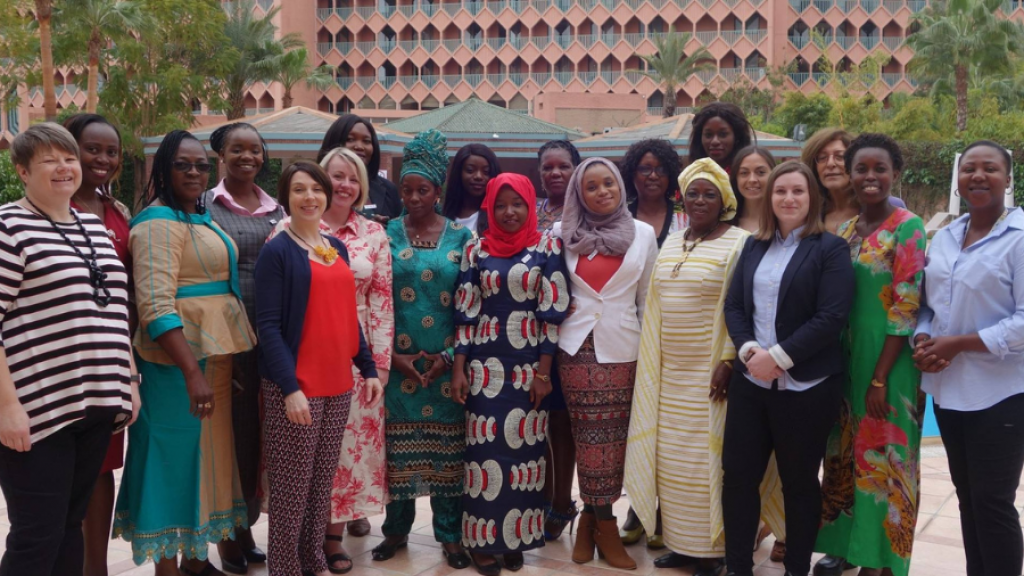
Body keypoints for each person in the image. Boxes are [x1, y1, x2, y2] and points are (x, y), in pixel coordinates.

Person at [623, 158, 783, 576]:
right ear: (682, 197)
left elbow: (743, 308)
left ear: (724, 200)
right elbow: (655, 303)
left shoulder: (740, 243)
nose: (699, 200)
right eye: (692, 192)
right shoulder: (673, 241)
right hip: (669, 370)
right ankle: (681, 544)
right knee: (672, 459)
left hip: (712, 371)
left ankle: (716, 549)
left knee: (709, 463)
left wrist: (729, 360)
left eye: (709, 193)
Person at [114, 130, 255, 576]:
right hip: (176, 367)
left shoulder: (199, 215)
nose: (194, 172)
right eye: (182, 165)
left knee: (207, 464)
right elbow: (156, 305)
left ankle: (197, 561)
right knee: (173, 465)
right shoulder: (156, 222)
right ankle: (168, 568)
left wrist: (214, 365)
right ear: (163, 169)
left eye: (200, 165)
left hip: (212, 362)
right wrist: (193, 373)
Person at [0, 123, 136, 576]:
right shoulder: (8, 226)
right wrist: (7, 407)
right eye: (49, 160)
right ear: (22, 170)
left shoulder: (95, 227)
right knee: (36, 533)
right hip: (37, 408)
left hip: (97, 402)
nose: (64, 168)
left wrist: (129, 380)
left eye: (69, 158)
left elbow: (116, 308)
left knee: (69, 526)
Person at [722, 162, 855, 576]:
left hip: (807, 386)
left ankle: (797, 567)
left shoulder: (830, 248)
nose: (789, 199)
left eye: (798, 191)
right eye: (781, 191)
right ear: (769, 198)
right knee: (739, 479)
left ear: (812, 198)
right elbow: (735, 306)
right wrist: (748, 352)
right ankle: (738, 566)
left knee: (800, 483)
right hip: (751, 383)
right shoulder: (754, 246)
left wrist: (777, 357)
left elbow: (831, 316)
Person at [269, 147, 395, 573]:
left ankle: (313, 558)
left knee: (321, 484)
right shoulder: (279, 248)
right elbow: (267, 327)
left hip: (339, 383)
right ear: (286, 197)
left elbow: (348, 316)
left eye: (316, 190)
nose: (310, 197)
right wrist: (289, 388)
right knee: (292, 491)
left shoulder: (335, 249)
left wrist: (368, 367)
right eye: (299, 190)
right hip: (299, 384)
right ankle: (285, 566)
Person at [815, 134, 926, 576]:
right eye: (861, 169)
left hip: (888, 364)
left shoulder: (908, 225)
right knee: (845, 456)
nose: (870, 177)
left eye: (880, 168)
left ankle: (882, 560)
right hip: (846, 361)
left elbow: (905, 306)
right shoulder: (843, 230)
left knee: (888, 461)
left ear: (894, 173)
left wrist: (880, 377)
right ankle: (852, 548)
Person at [912, 141, 1024, 576]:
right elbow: (929, 304)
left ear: (1008, 178)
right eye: (969, 169)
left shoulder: (1018, 239)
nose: (978, 176)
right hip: (948, 390)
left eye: (990, 169)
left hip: (1001, 391)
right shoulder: (946, 238)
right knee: (967, 497)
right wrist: (923, 337)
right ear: (958, 179)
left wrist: (958, 343)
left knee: (993, 502)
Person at [452, 172, 570, 575]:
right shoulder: (476, 250)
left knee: (526, 455)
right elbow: (466, 312)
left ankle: (515, 538)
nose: (508, 212)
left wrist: (544, 373)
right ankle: (483, 543)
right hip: (484, 372)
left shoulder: (547, 245)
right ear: (488, 208)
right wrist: (459, 369)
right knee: (483, 457)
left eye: (517, 203)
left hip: (527, 372)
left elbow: (552, 314)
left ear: (529, 204)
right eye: (499, 205)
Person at [371, 129, 474, 569]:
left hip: (447, 367)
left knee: (449, 458)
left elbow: (473, 305)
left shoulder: (462, 239)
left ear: (438, 190)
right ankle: (395, 530)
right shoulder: (384, 234)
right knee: (398, 457)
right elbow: (374, 298)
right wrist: (391, 357)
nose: (413, 197)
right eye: (406, 189)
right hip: (397, 367)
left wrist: (451, 359)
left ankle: (450, 536)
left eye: (423, 189)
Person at [554, 158, 658, 569]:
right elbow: (548, 289)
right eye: (592, 186)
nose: (602, 191)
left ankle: (591, 523)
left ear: (621, 187)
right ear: (579, 193)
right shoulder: (561, 234)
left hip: (623, 350)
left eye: (609, 183)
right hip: (575, 349)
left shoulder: (644, 234)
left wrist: (652, 358)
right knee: (587, 441)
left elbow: (648, 298)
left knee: (613, 444)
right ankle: (604, 527)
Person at [61, 113, 138, 576]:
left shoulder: (118, 212)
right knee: (56, 468)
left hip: (111, 359)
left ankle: (96, 569)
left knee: (103, 464)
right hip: (60, 359)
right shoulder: (43, 208)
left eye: (111, 152)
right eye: (93, 149)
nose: (103, 159)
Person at [204, 121, 282, 573]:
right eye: (238, 150)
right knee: (228, 438)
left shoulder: (277, 209)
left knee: (257, 436)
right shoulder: (204, 205)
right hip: (224, 340)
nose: (248, 157)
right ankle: (226, 536)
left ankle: (247, 527)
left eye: (255, 150)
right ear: (222, 155)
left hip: (270, 339)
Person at [534, 139, 581, 541]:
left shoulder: (590, 212)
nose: (555, 173)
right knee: (540, 419)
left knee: (563, 423)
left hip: (575, 334)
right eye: (547, 167)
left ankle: (564, 503)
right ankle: (544, 497)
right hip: (528, 334)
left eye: (563, 166)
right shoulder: (525, 211)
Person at [319, 114, 402, 222]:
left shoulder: (389, 190)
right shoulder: (316, 186)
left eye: (366, 141)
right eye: (350, 139)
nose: (359, 146)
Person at [621, 138, 686, 248]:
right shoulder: (620, 217)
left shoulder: (686, 217)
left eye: (661, 169)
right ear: (632, 174)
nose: (653, 176)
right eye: (645, 169)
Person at [442, 143, 502, 234]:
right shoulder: (440, 217)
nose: (478, 176)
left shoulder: (499, 217)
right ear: (458, 173)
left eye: (486, 172)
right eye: (470, 170)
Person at [687, 102, 753, 171]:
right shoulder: (691, 175)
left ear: (737, 137)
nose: (715, 141)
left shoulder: (749, 176)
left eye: (723, 134)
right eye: (708, 135)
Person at [729, 146, 776, 234]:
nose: (752, 179)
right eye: (744, 173)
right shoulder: (723, 222)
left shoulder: (783, 223)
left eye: (761, 172)